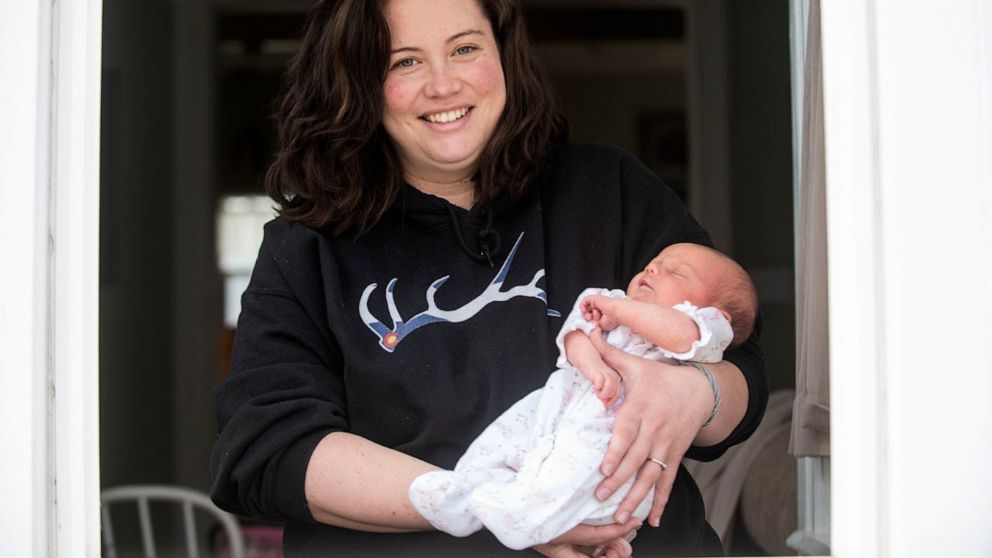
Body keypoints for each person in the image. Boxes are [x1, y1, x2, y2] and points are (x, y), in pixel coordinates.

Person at [209, 0, 768, 556]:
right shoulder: (307, 247)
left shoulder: (608, 188)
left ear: (504, 55)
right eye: (404, 62)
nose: (443, 84)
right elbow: (268, 451)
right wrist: (485, 504)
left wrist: (696, 392)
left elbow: (742, 365)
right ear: (357, 81)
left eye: (465, 48)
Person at [408, 243, 758, 550]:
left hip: (614, 425)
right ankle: (467, 491)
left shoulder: (705, 329)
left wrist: (620, 312)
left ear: (717, 314)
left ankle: (523, 519)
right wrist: (595, 367)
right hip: (560, 403)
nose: (653, 268)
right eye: (655, 261)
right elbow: (575, 336)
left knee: (583, 471)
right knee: (506, 436)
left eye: (676, 272)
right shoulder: (611, 300)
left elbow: (682, 335)